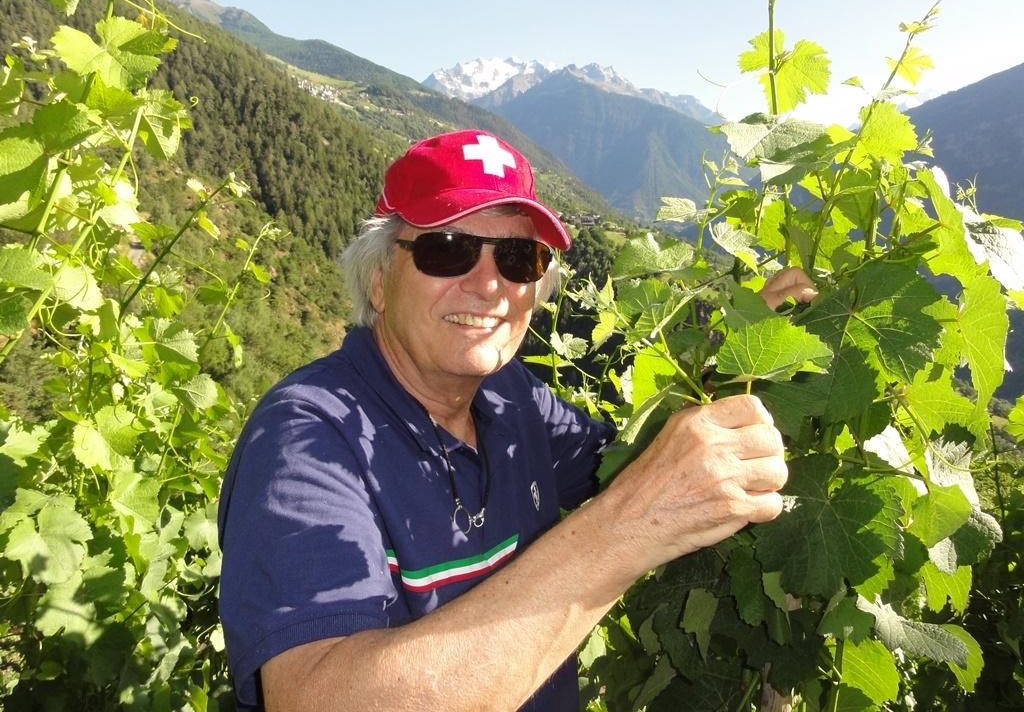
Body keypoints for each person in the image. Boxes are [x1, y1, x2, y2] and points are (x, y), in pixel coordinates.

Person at [217, 129, 817, 711]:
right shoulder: (306, 439)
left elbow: (634, 465)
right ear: (378, 282)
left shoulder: (511, 396)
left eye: (516, 258)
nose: (488, 286)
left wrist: (739, 354)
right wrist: (628, 528)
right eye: (446, 249)